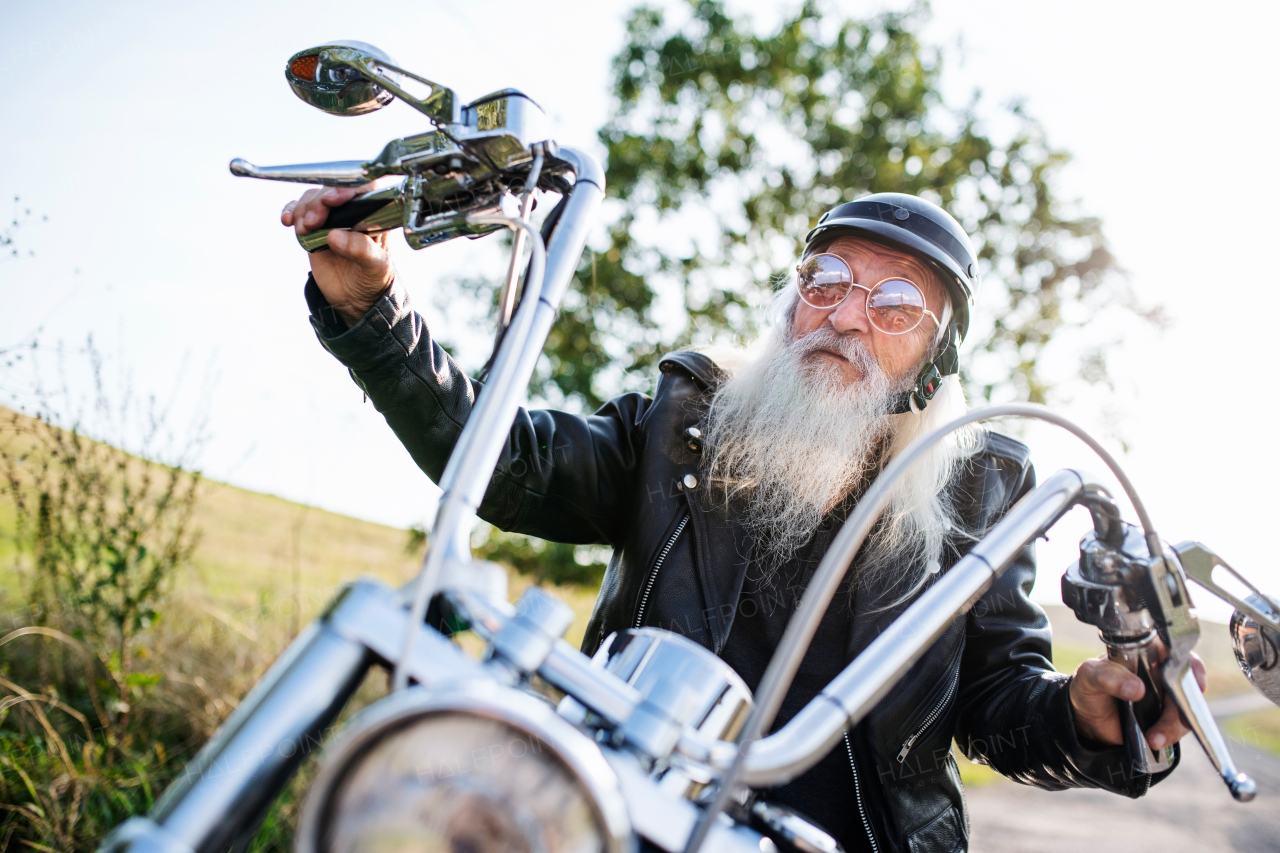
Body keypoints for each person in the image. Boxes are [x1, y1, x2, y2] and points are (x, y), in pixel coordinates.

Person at [282, 187, 1203, 853]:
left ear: (935, 357)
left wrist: (1086, 716)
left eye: (894, 305)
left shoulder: (977, 492)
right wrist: (374, 311)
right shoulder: (682, 423)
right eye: (828, 278)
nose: (847, 314)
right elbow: (511, 466)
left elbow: (1000, 706)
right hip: (635, 816)